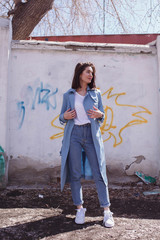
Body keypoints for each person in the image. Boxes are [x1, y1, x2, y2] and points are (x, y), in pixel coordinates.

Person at [59, 62, 114, 228]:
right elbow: (61, 117)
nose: (91, 75)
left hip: (91, 135)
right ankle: (80, 208)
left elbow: (101, 116)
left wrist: (100, 114)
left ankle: (106, 211)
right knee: (75, 173)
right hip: (74, 135)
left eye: (92, 73)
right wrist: (65, 115)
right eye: (88, 72)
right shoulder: (68, 95)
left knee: (99, 172)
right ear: (80, 74)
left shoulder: (96, 93)